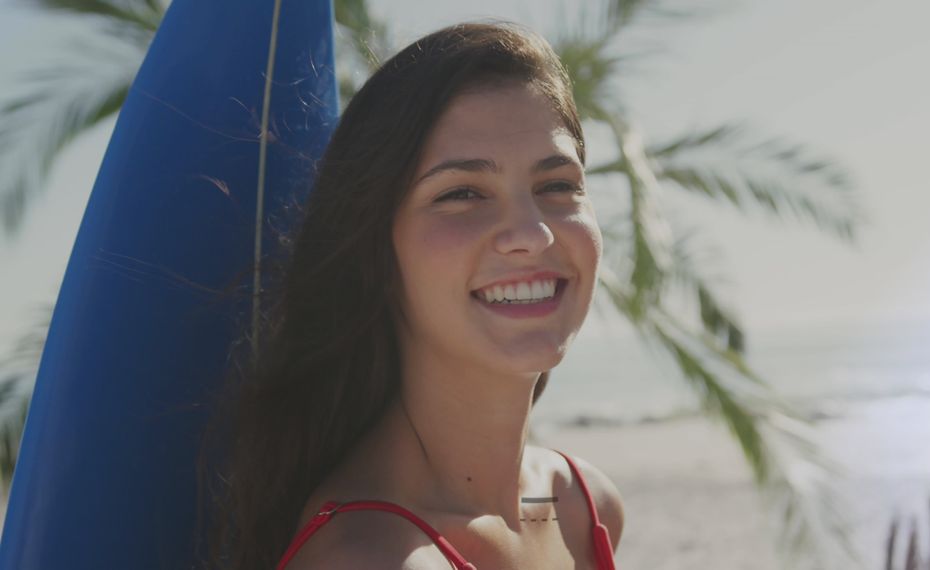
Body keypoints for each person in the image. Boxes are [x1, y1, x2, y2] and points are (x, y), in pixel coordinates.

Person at [200, 21, 622, 570]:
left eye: (557, 185)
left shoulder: (585, 507)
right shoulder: (371, 557)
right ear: (374, 253)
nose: (533, 233)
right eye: (463, 193)